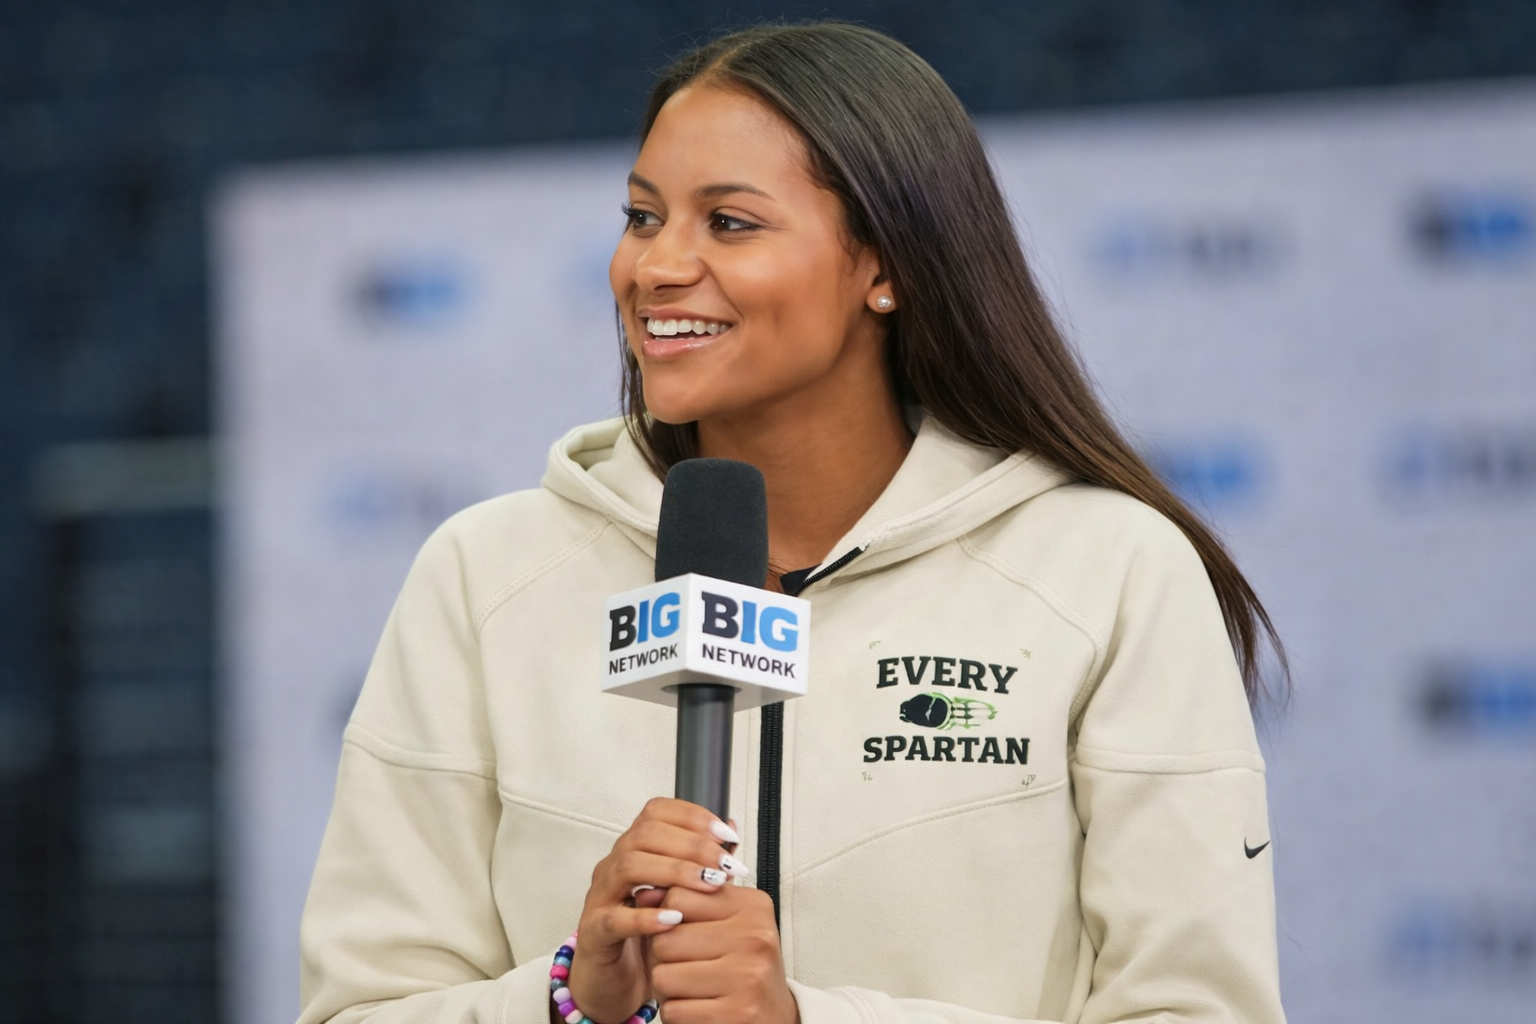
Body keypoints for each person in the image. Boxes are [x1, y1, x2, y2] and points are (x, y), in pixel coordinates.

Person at [297, 21, 1288, 1024]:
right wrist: (568, 1003)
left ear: (886, 265)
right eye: (643, 218)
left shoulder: (1109, 573)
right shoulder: (483, 575)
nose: (657, 267)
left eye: (729, 223)